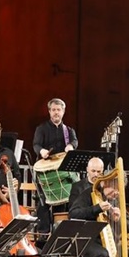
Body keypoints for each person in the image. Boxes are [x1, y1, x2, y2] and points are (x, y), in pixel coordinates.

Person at [33, 98, 78, 242]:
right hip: (46, 172)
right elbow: (36, 144)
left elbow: (75, 141)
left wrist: (71, 145)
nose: (56, 112)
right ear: (49, 112)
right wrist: (42, 151)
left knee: (63, 203)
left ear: (63, 112)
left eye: (59, 110)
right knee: (44, 203)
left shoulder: (68, 130)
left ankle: (60, 235)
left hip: (62, 171)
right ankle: (43, 235)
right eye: (53, 110)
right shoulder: (42, 128)